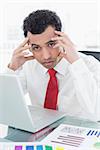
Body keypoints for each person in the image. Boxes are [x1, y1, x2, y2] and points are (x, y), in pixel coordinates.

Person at [7, 9, 100, 121]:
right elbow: (5, 102)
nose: (46, 56)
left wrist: (76, 63)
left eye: (51, 44)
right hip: (41, 132)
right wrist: (12, 69)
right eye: (36, 47)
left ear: (62, 38)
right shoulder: (28, 66)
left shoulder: (90, 65)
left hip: (77, 132)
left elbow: (95, 111)